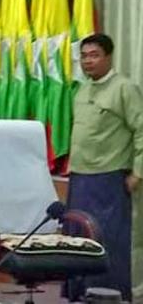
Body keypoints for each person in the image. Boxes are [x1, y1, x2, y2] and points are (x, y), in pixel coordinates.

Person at [64, 33, 143, 302]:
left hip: (109, 178)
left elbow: (141, 130)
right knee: (78, 238)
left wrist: (138, 172)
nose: (88, 61)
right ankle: (78, 294)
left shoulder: (124, 88)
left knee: (107, 241)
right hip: (80, 177)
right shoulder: (82, 89)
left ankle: (109, 298)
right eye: (84, 56)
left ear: (109, 57)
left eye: (94, 55)